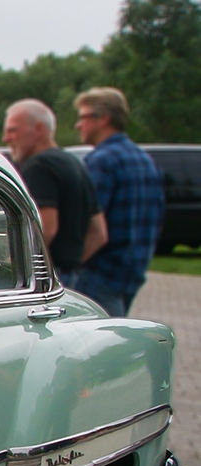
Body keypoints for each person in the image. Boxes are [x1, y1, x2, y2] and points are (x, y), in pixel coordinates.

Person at [70, 87, 164, 316]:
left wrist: (70, 266)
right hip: (132, 272)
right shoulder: (144, 159)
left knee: (97, 344)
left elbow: (87, 224)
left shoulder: (102, 161)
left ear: (104, 119)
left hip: (99, 274)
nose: (77, 125)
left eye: (83, 117)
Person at [2, 98, 105, 286]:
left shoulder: (39, 166)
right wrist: (71, 265)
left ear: (39, 129)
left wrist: (11, 267)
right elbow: (99, 233)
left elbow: (46, 229)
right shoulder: (75, 163)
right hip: (69, 276)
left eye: (12, 130)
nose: (6, 138)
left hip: (44, 280)